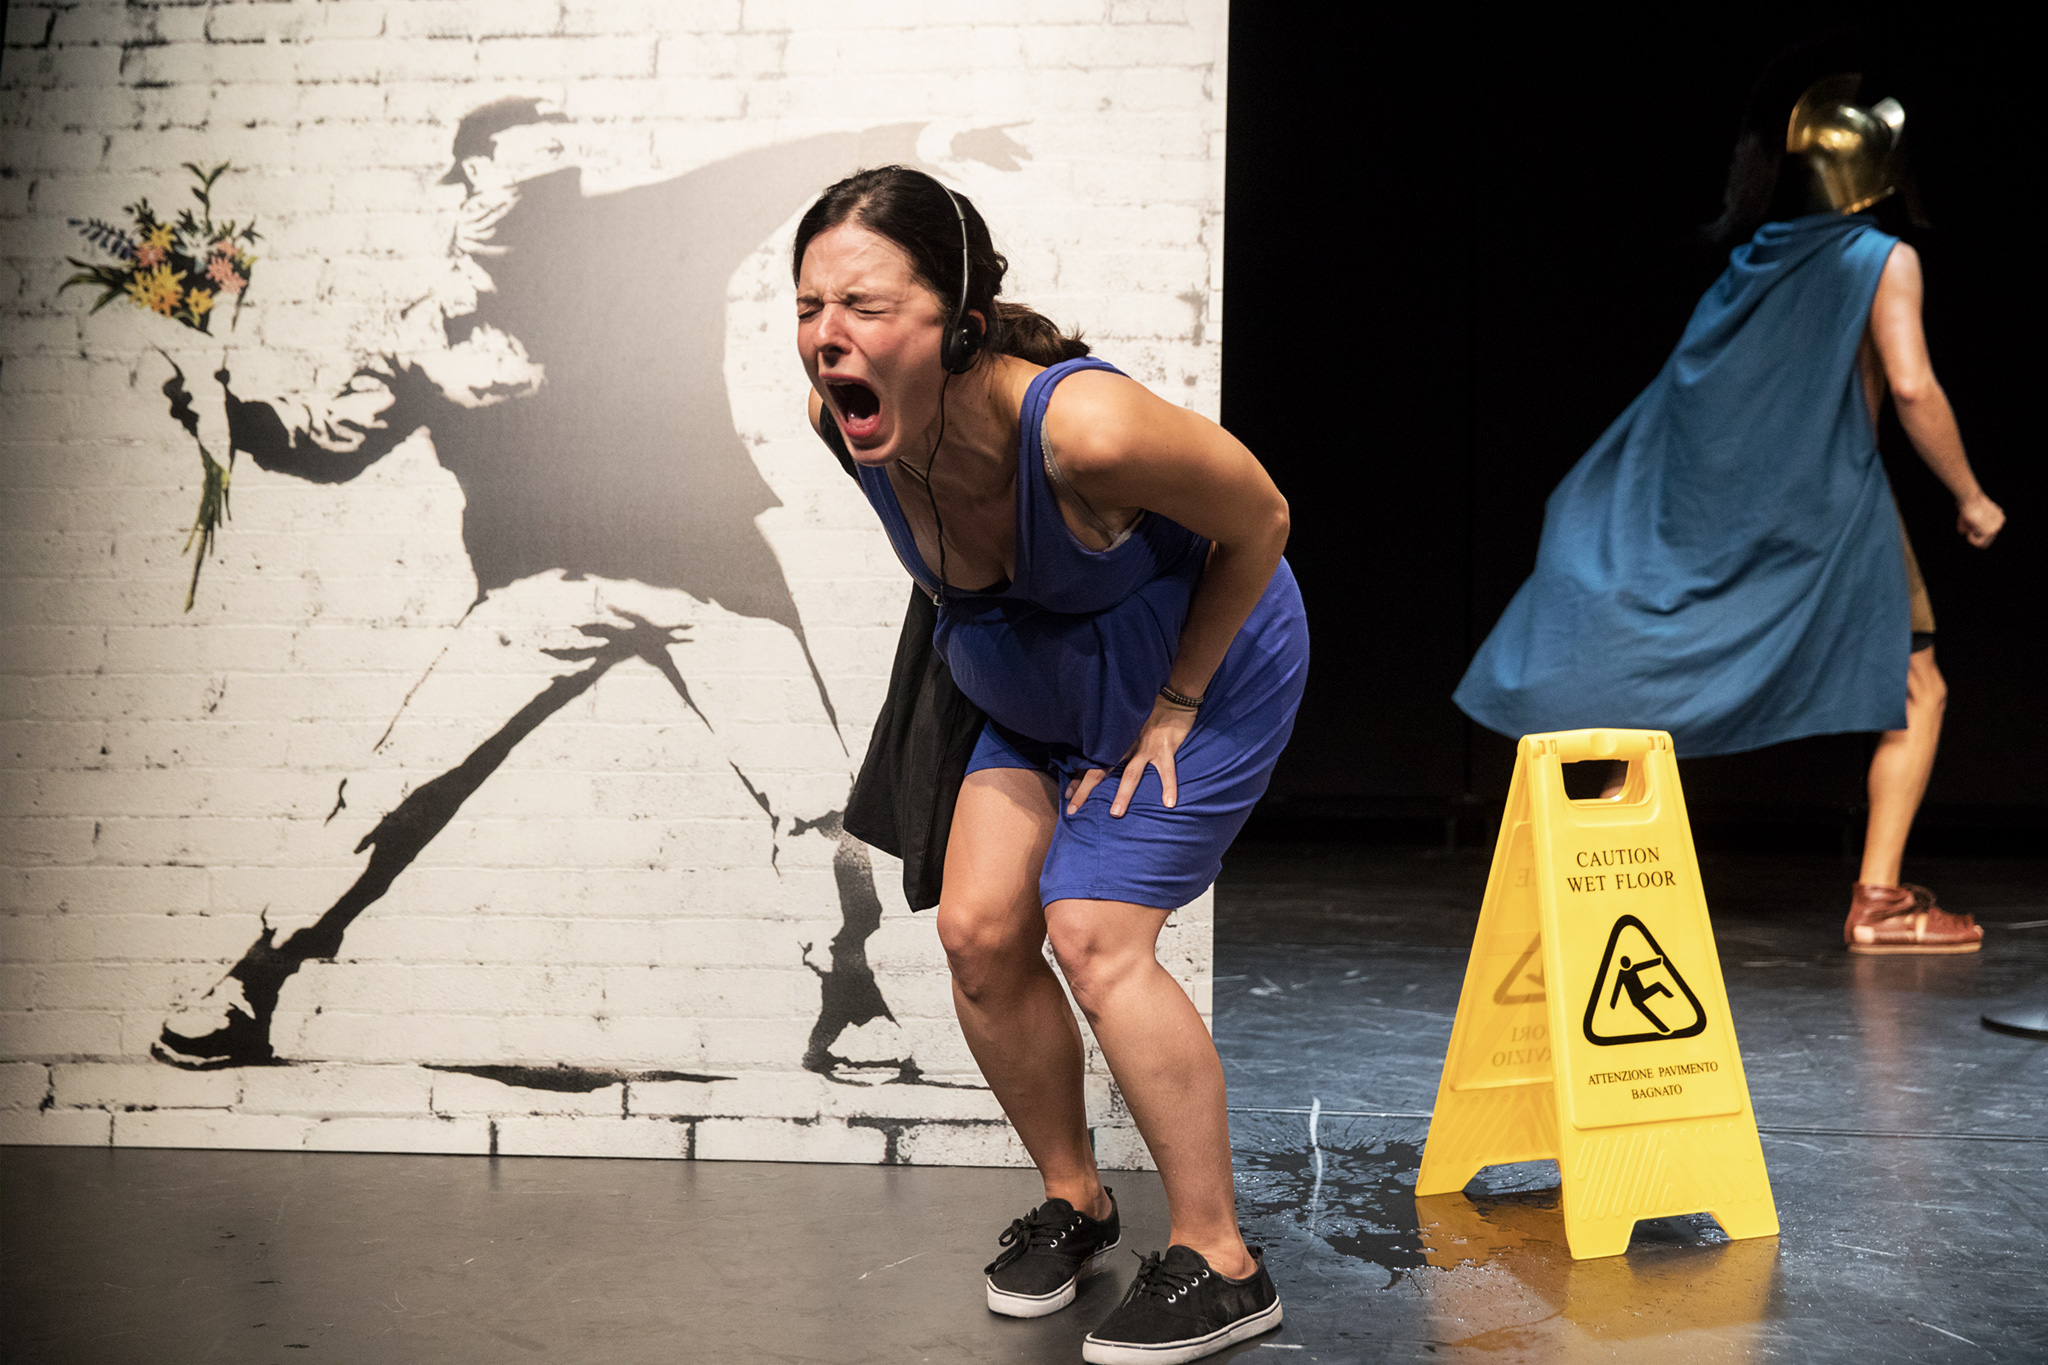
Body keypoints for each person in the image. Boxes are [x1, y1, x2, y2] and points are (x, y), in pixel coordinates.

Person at [153, 101, 1011, 1080]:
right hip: (538, 589)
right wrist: (230, 413)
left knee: (819, 801)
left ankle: (850, 999)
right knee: (397, 787)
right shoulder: (432, 324)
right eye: (529, 167)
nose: (555, 181)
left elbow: (766, 173)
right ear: (471, 180)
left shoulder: (645, 232)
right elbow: (330, 440)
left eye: (564, 164)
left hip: (709, 573)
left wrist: (921, 142)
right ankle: (254, 981)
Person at [793, 167, 1306, 1363]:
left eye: (864, 304)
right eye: (809, 306)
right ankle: (1077, 1201)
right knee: (978, 934)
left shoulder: (1087, 430)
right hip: (1032, 694)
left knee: (1091, 931)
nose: (827, 336)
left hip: (1196, 679)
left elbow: (1262, 520)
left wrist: (1173, 701)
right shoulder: (845, 422)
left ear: (959, 323)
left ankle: (1223, 1262)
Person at [1454, 60, 2003, 957]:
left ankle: (1597, 889)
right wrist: (1971, 497)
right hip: (1830, 510)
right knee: (1920, 686)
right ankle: (1878, 902)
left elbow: (1698, 395)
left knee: (1641, 688)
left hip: (1745, 508)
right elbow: (1911, 386)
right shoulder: (1883, 259)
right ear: (1880, 173)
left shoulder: (1757, 261)